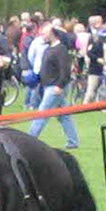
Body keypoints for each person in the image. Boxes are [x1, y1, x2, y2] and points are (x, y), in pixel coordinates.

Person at [26, 20, 80, 148]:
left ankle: (29, 140)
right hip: (49, 86)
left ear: (52, 34)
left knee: (42, 114)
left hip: (54, 88)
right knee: (64, 116)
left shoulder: (60, 49)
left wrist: (59, 86)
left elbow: (65, 70)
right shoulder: (49, 49)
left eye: (44, 33)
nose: (42, 36)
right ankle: (73, 141)